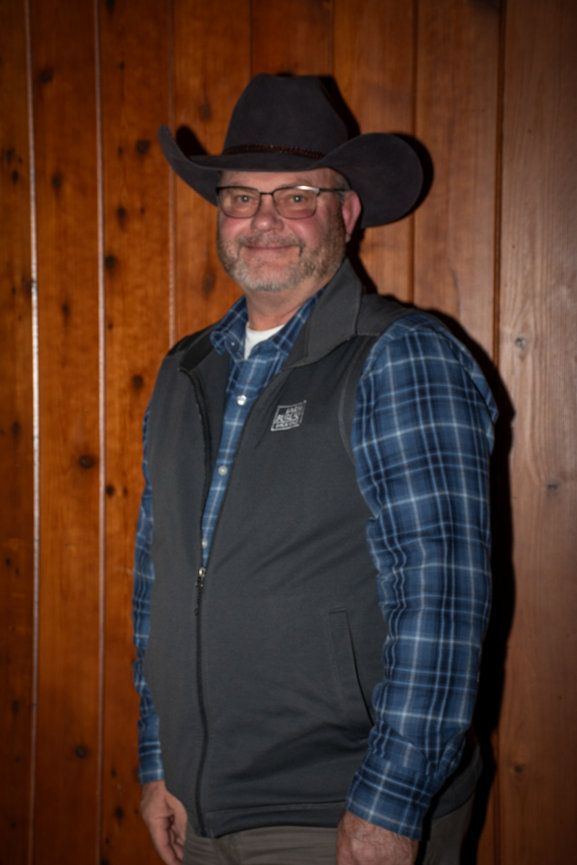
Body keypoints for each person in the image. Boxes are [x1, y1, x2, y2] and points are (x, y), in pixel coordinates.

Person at [133, 74, 497, 865]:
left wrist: (390, 806)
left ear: (346, 211)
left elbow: (439, 595)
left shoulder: (401, 357)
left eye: (296, 195)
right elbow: (155, 581)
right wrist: (160, 758)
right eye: (240, 198)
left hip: (335, 813)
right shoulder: (183, 371)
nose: (262, 220)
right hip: (201, 805)